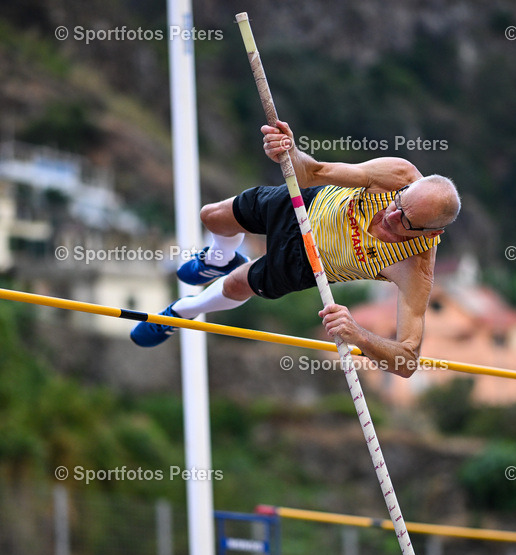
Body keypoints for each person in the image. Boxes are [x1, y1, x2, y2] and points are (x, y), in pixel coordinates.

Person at [130, 121, 460, 378]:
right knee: (212, 217)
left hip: (306, 263)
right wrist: (289, 152)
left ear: (433, 232)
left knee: (236, 284)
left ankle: (180, 313)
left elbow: (407, 362)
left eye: (405, 221)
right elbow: (314, 172)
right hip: (304, 207)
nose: (389, 215)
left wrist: (359, 335)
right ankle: (219, 258)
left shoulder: (414, 269)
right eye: (398, 203)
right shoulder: (397, 175)